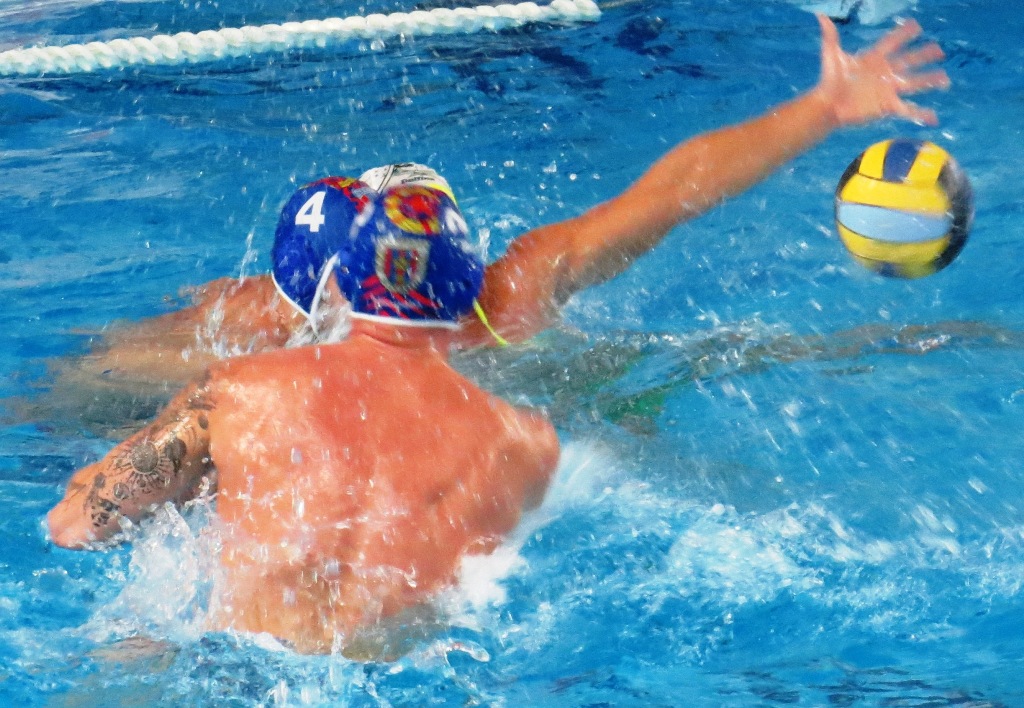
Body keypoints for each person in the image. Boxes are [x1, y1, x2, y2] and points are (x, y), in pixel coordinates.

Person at [46, 16, 950, 655]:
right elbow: (79, 384)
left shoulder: (482, 309)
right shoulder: (269, 330)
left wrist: (822, 109)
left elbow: (672, 195)